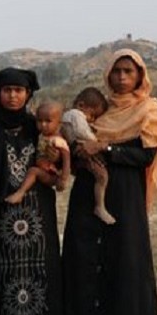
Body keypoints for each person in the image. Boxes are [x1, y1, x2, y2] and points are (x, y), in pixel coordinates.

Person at [63, 49, 157, 315]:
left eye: (129, 71)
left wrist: (107, 147)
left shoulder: (149, 110)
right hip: (89, 190)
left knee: (130, 259)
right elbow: (76, 137)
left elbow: (145, 155)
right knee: (86, 258)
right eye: (117, 71)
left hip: (125, 194)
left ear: (140, 75)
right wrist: (80, 149)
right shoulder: (99, 108)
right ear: (108, 75)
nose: (122, 78)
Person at [0, 67, 64, 315]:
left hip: (38, 215)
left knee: (42, 271)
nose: (13, 95)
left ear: (28, 94)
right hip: (0, 214)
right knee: (2, 273)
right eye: (7, 90)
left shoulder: (39, 125)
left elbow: (56, 171)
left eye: (19, 90)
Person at [61, 87, 114, 224]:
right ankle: (100, 206)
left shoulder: (68, 115)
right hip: (83, 150)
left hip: (76, 150)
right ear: (81, 106)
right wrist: (96, 141)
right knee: (102, 176)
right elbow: (82, 132)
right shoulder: (76, 114)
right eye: (92, 115)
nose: (91, 120)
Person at [4, 101, 70, 204]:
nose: (43, 125)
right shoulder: (42, 135)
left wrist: (63, 179)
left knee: (33, 171)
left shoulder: (57, 140)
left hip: (51, 174)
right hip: (44, 170)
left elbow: (66, 157)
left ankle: (20, 193)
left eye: (48, 121)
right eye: (40, 121)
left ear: (59, 123)